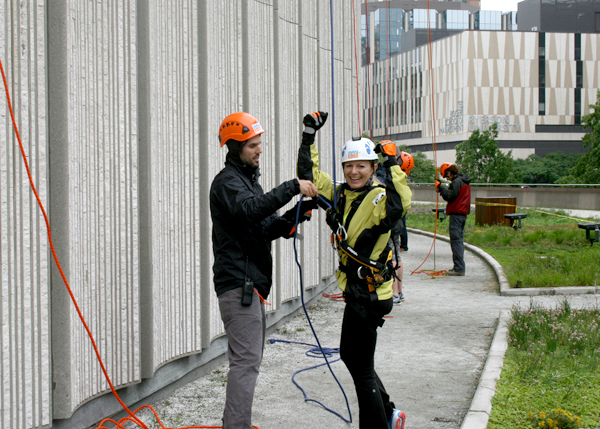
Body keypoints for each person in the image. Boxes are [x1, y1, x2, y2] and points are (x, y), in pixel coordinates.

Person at [297, 112, 411, 429]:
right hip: (358, 293)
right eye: (349, 166)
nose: (354, 171)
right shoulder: (341, 195)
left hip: (371, 294)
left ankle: (378, 423)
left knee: (359, 365)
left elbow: (400, 204)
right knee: (353, 357)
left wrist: (392, 165)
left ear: (372, 168)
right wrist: (308, 136)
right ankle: (388, 413)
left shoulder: (378, 198)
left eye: (361, 165)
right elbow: (308, 176)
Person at [210, 112, 318, 429]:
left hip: (251, 285)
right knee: (245, 363)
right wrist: (292, 187)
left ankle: (235, 422)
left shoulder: (247, 183)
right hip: (237, 286)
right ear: (234, 147)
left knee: (248, 361)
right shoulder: (228, 183)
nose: (259, 150)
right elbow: (249, 211)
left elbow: (266, 226)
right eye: (252, 146)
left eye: (259, 144)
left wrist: (297, 212)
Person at [436, 163, 471, 276]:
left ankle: (459, 268)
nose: (446, 178)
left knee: (456, 241)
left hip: (456, 214)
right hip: (462, 214)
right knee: (458, 240)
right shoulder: (463, 180)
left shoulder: (457, 182)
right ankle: (458, 266)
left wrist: (440, 188)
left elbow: (450, 196)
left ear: (449, 172)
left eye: (446, 175)